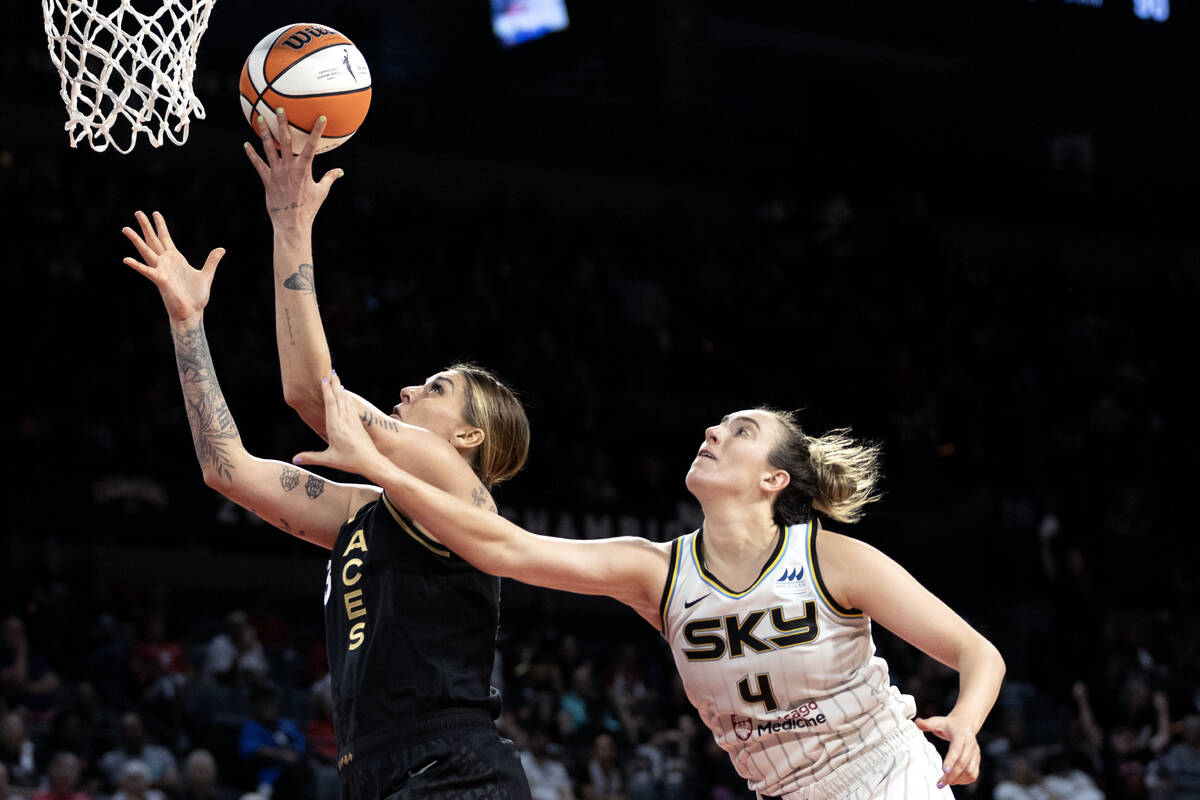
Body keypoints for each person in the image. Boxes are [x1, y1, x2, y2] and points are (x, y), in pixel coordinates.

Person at [297, 378, 1007, 799]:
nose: (713, 430)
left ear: (774, 480)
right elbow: (502, 546)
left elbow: (979, 655)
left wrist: (967, 724)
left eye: (740, 430)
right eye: (719, 423)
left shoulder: (833, 560)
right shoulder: (659, 571)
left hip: (888, 779)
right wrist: (379, 468)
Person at [121, 205, 532, 800]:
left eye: (436, 388)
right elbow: (225, 469)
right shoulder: (362, 511)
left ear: (469, 437)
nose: (408, 389)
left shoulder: (460, 488)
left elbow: (312, 396)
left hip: (453, 768)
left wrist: (290, 224)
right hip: (372, 769)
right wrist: (188, 322)